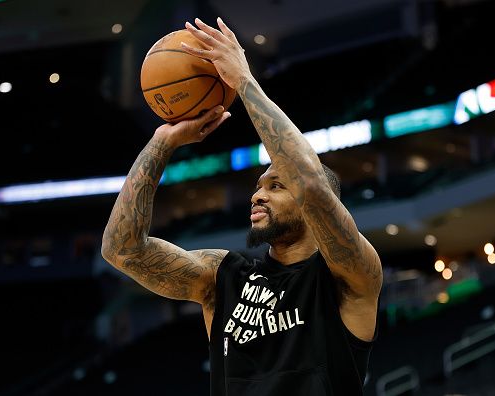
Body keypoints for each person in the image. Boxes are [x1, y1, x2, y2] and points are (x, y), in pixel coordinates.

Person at [101, 17, 383, 396]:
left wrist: (244, 83)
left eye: (276, 185)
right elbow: (121, 249)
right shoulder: (223, 277)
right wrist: (162, 143)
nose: (257, 195)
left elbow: (311, 184)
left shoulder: (348, 277)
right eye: (258, 186)